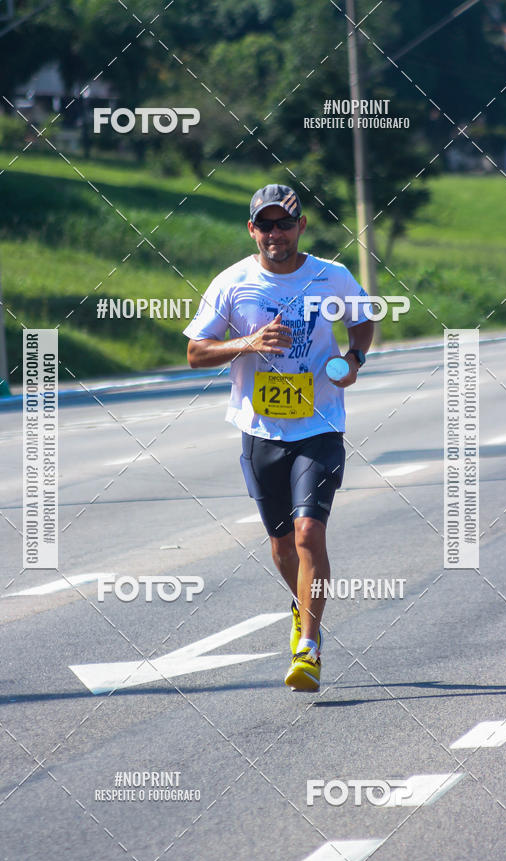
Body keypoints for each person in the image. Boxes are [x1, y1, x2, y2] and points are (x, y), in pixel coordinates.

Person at [184, 184, 374, 692]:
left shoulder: (332, 276)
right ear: (252, 230)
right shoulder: (232, 282)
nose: (275, 234)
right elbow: (196, 352)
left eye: (284, 223)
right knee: (283, 545)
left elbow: (362, 321)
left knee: (309, 532)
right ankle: (302, 607)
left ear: (301, 226)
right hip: (260, 430)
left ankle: (309, 646)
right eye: (265, 225)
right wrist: (248, 342)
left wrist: (354, 360)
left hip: (319, 425)